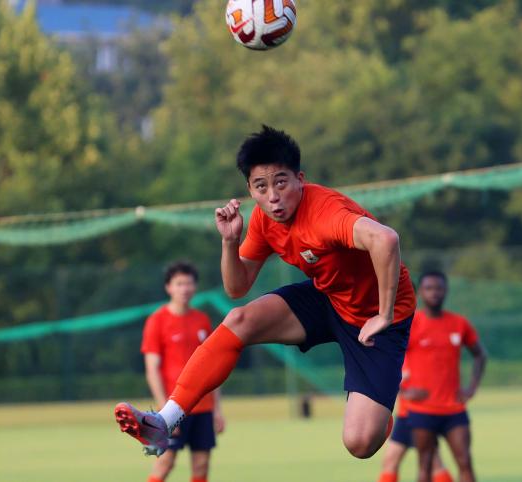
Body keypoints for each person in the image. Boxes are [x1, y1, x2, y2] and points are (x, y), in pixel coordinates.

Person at [115, 125, 416, 460]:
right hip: (329, 297)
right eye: (261, 186)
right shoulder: (263, 219)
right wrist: (230, 242)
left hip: (378, 318)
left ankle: (378, 418)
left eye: (281, 182)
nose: (273, 196)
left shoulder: (325, 212)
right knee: (239, 319)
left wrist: (384, 314)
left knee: (359, 444)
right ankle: (164, 421)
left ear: (300, 179)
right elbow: (237, 287)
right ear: (250, 189)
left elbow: (385, 239)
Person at [138, 262, 225, 482]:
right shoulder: (157, 321)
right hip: (173, 405)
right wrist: (163, 411)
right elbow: (152, 369)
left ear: (195, 287)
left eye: (189, 283)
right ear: (168, 287)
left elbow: (213, 366)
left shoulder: (202, 320)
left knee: (202, 463)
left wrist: (217, 409)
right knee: (165, 462)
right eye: (179, 284)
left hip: (203, 405)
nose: (185, 289)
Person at [404, 271, 487, 482]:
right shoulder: (411, 324)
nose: (434, 293)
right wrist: (402, 389)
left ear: (446, 291)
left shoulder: (459, 323)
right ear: (420, 292)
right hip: (422, 409)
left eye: (439, 288)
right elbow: (388, 359)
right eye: (429, 288)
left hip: (454, 408)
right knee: (425, 465)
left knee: (465, 461)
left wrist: (471, 388)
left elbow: (480, 355)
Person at [378, 370, 453, 482]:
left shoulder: (422, 361)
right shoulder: (400, 360)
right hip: (405, 416)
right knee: (390, 461)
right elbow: (388, 382)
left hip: (423, 415)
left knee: (435, 464)